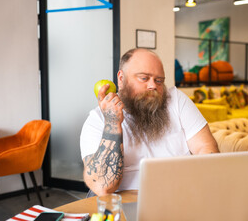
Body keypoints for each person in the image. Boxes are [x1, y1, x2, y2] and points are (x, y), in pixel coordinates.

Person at [80, 48, 219, 196]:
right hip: (125, 205)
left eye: (159, 80)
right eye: (144, 78)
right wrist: (113, 123)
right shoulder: (97, 120)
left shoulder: (177, 101)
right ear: (121, 79)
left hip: (180, 196)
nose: (153, 86)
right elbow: (103, 186)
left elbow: (206, 148)